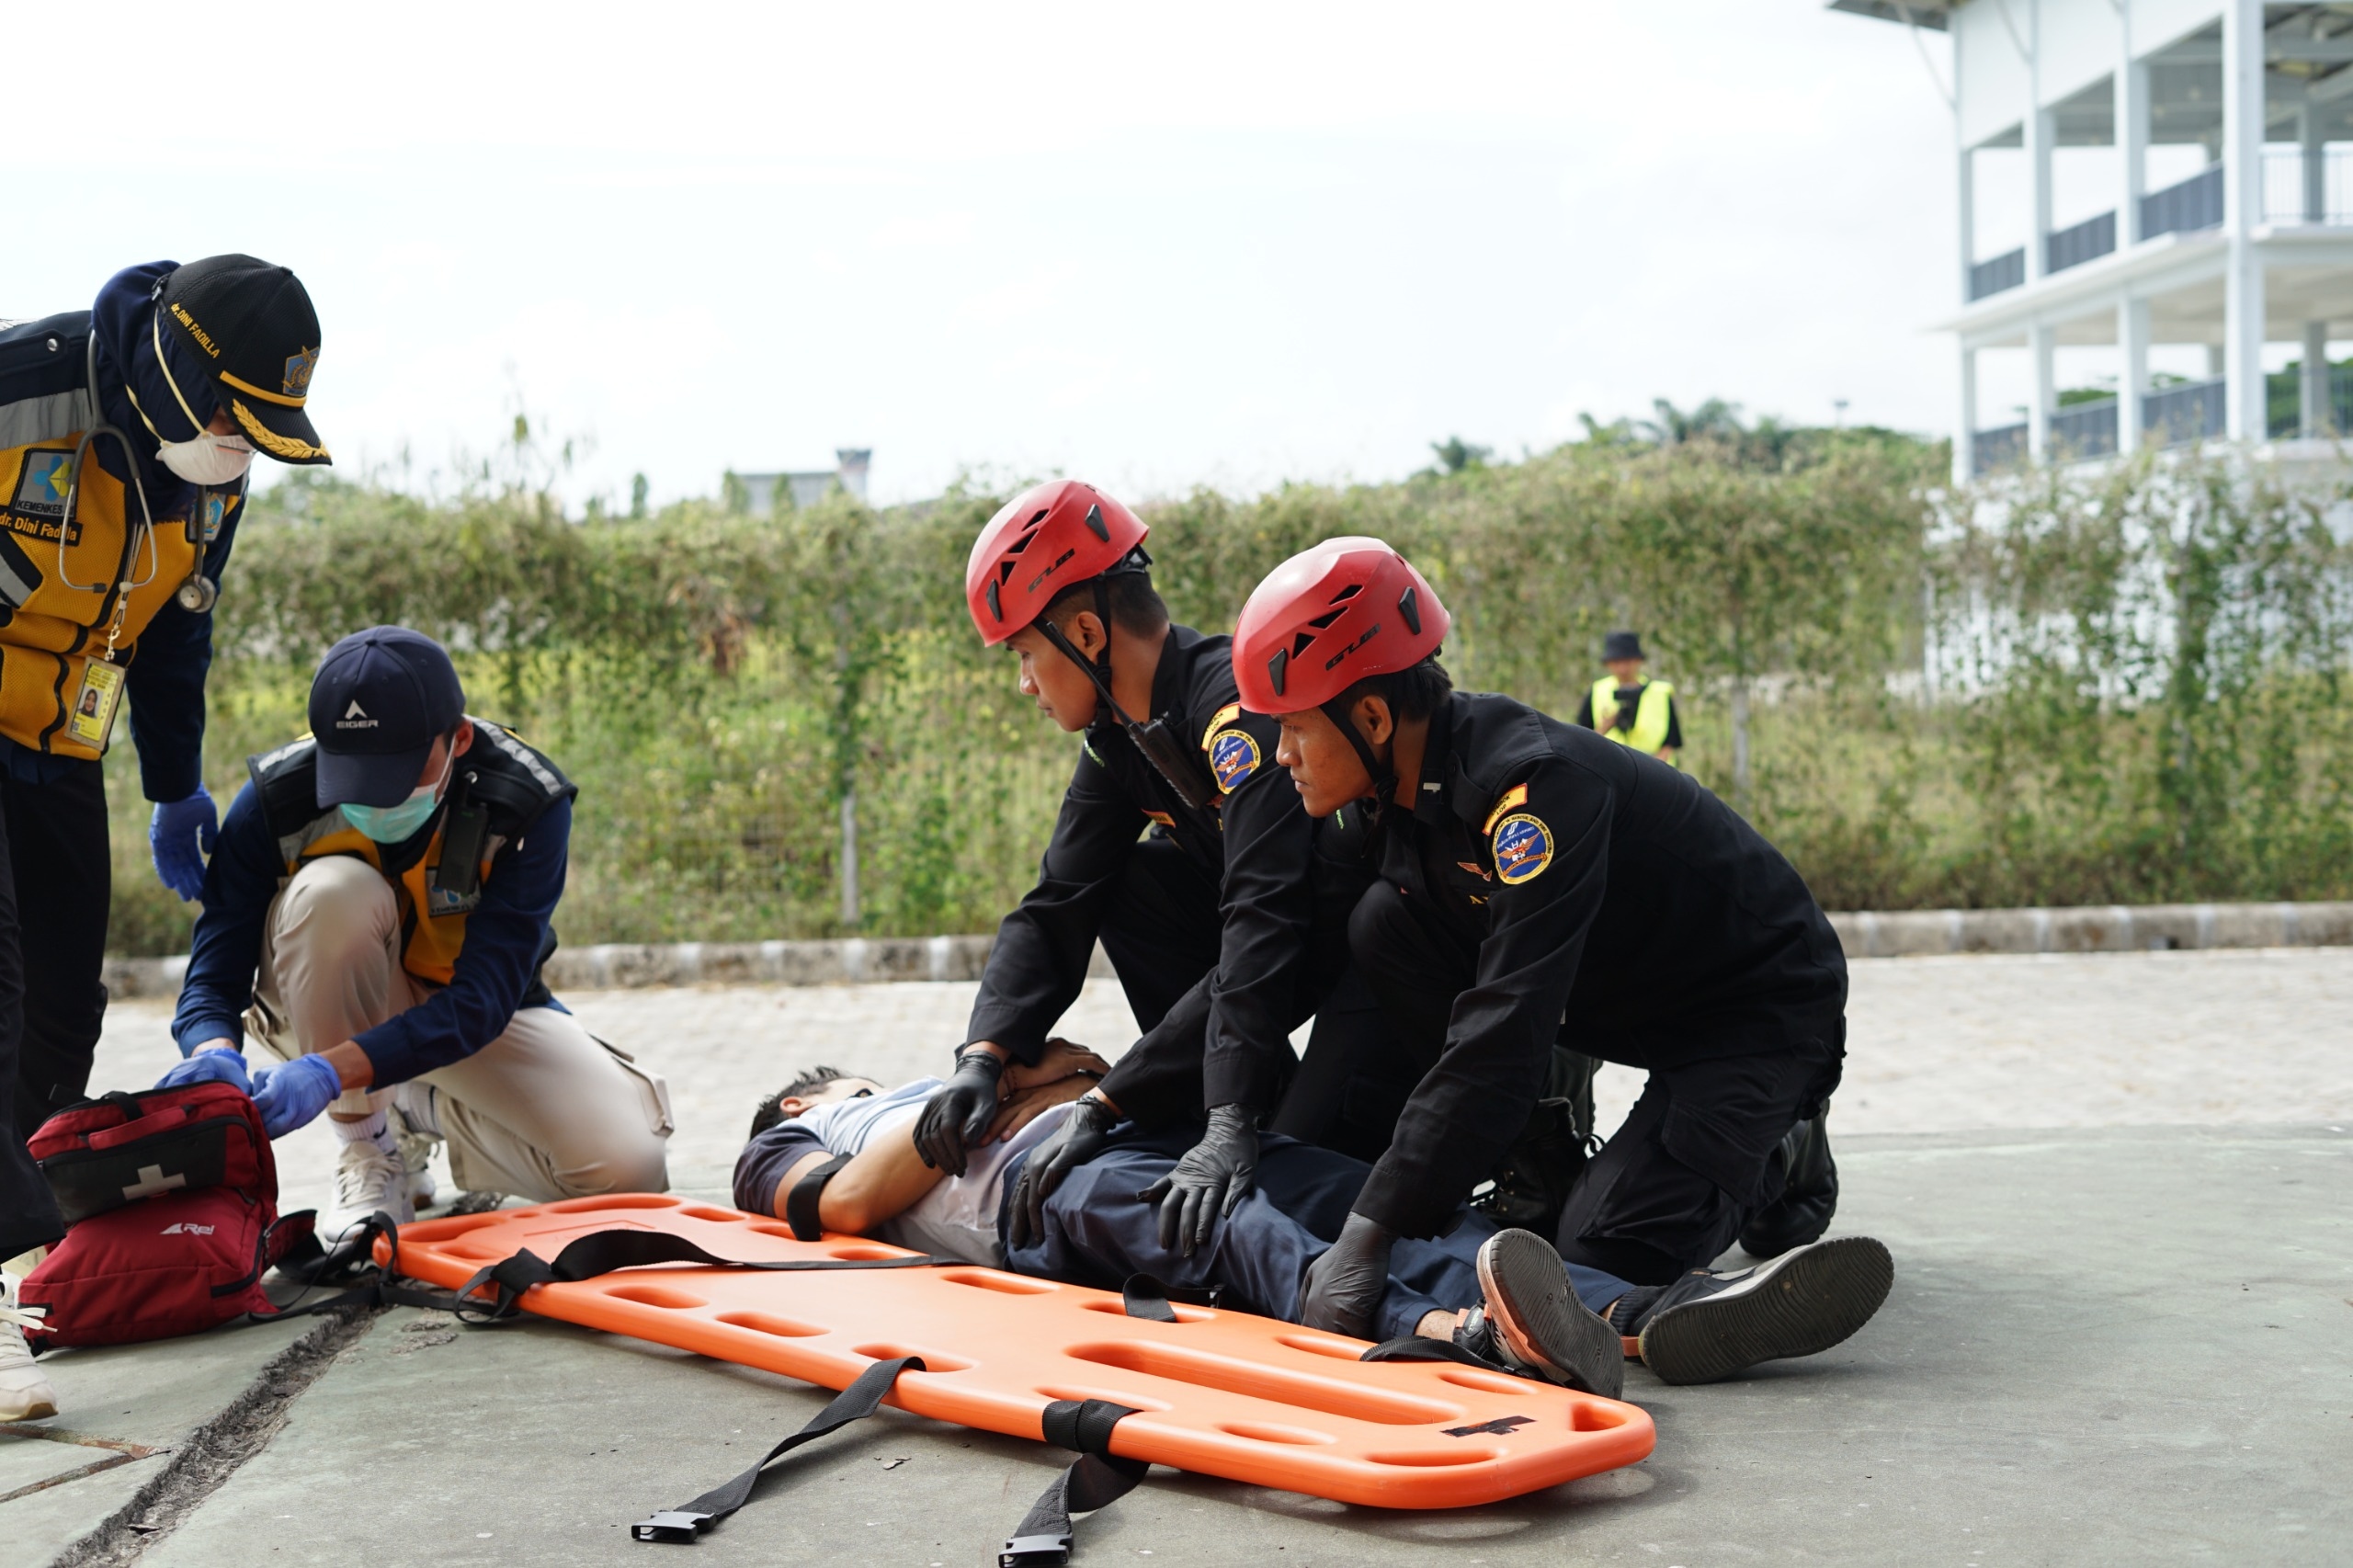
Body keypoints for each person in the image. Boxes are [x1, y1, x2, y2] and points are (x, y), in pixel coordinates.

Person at [1228, 538, 1848, 1338]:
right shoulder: (1388, 794)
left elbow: (1504, 1028)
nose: (1280, 756)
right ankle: (1542, 1158)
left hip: (1750, 1011)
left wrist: (1368, 1233)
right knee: (1383, 919)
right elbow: (1267, 951)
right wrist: (1174, 1112)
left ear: (1373, 717)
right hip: (1612, 988)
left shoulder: (1534, 790)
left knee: (1603, 1253)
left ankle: (1784, 1148)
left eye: (1293, 731)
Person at [1, 256, 332, 1421]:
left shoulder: (210, 473)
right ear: (172, 373)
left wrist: (174, 786)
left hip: (56, 741)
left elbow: (178, 633)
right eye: (236, 420)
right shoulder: (18, 396)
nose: (243, 450)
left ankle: (20, 1272)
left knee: (55, 1008)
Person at [735, 1062, 1893, 1390]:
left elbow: (1085, 1064)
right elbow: (846, 1206)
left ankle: (1644, 1311)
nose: (840, 1069)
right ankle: (1464, 1336)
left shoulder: (942, 1082)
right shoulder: (792, 1139)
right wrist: (957, 1109)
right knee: (1239, 1231)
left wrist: (996, 1082)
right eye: (823, 1075)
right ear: (800, 1098)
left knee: (1370, 1200)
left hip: (1113, 1138)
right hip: (1044, 1199)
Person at [914, 480, 1388, 1256]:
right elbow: (1060, 899)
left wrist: (1113, 1104)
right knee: (1128, 883)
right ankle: (1232, 1100)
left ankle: (1521, 1126)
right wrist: (984, 1055)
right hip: (1280, 962)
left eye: (1027, 654)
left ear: (1090, 635)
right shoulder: (1120, 734)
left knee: (1303, 1184)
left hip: (1373, 960)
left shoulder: (1236, 712)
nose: (1025, 684)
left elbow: (1265, 923)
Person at [157, 627, 672, 1242]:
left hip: (468, 1009)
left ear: (457, 738)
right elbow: (213, 974)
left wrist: (328, 1072)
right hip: (321, 998)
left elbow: (483, 1003)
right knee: (334, 895)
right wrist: (211, 1054)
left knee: (628, 1172)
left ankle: (410, 1106)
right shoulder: (277, 796)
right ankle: (368, 1150)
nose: (376, 794)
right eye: (353, 771)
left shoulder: (524, 802)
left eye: (398, 769)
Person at [1575, 631, 1681, 767]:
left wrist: (1653, 770)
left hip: (1654, 771)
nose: (1622, 668)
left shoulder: (1660, 692)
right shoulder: (1597, 691)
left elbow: (1671, 741)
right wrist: (1604, 727)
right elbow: (1581, 741)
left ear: (1638, 661)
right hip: (1610, 770)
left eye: (1627, 661)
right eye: (1616, 662)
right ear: (1608, 663)